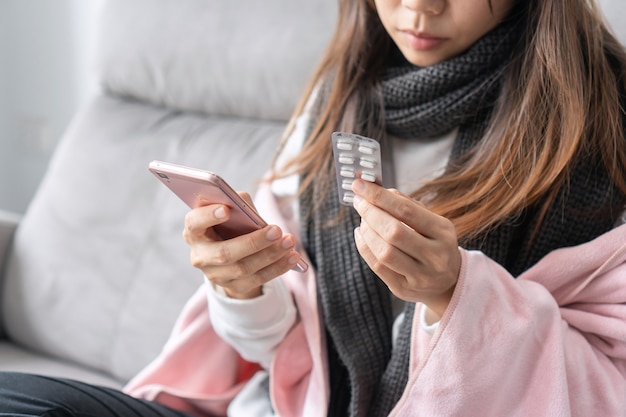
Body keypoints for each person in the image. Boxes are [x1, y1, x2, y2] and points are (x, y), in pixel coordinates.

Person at [1, 0, 625, 415]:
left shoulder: (602, 129)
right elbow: (279, 348)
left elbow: (608, 381)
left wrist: (457, 294)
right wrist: (241, 287)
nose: (418, 7)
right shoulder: (341, 97)